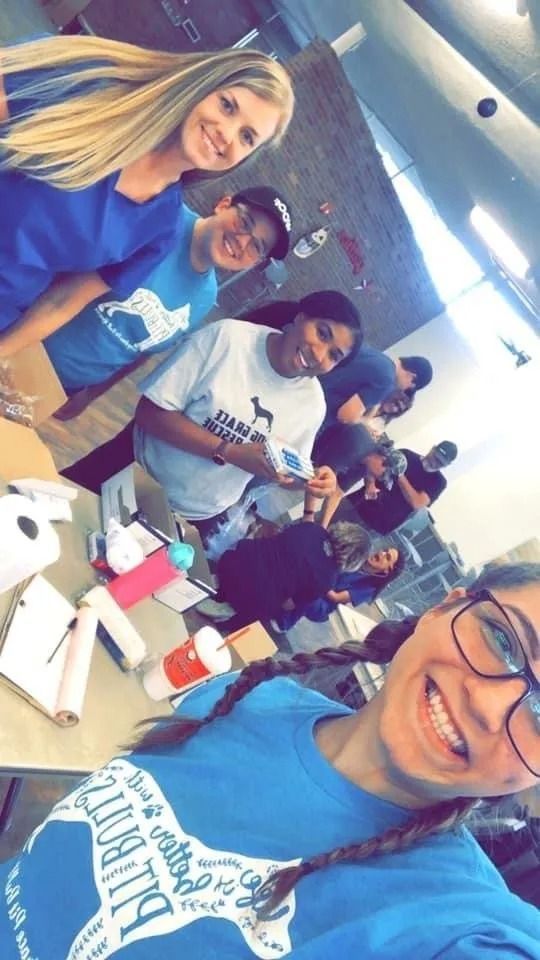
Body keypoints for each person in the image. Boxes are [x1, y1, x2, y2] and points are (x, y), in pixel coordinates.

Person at [1, 562, 539, 958]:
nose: (490, 707)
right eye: (503, 639)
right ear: (445, 606)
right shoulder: (248, 695)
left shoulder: (458, 924)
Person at [0, 33, 293, 347]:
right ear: (203, 83)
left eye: (247, 137)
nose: (227, 134)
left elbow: (64, 301)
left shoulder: (161, 229)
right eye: (227, 105)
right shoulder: (98, 85)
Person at [61, 291, 362, 540]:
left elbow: (289, 476)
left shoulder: (312, 405)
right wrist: (228, 451)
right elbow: (149, 413)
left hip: (192, 517)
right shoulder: (227, 338)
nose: (320, 354)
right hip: (128, 468)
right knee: (57, 525)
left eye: (334, 355)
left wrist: (311, 481)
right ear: (300, 317)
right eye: (322, 333)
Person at [44, 185, 293, 413]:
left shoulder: (205, 297)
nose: (242, 241)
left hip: (63, 390)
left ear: (257, 262)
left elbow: (139, 350)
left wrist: (89, 396)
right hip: (29, 344)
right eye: (244, 222)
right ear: (223, 205)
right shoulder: (161, 218)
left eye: (257, 247)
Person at [197, 520, 371, 629]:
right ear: (354, 559)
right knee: (266, 605)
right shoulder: (328, 579)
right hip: (253, 598)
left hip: (234, 563)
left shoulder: (312, 529)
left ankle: (219, 585)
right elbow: (289, 605)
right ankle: (228, 609)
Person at [274, 544, 405, 631]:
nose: (382, 553)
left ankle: (285, 622)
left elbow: (336, 598)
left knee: (312, 589)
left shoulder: (368, 588)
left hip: (324, 605)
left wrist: (321, 580)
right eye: (385, 550)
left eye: (387, 557)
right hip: (323, 582)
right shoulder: (359, 558)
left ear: (387, 571)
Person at [302, 422, 408, 529]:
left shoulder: (365, 465)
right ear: (383, 459)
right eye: (383, 474)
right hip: (300, 445)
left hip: (305, 468)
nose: (379, 479)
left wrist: (322, 527)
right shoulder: (357, 445)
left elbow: (337, 494)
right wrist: (308, 515)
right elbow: (318, 476)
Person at [350, 440, 458, 535]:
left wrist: (400, 474)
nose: (435, 463)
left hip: (380, 524)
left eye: (441, 463)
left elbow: (417, 502)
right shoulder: (406, 455)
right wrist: (370, 484)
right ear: (433, 449)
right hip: (360, 502)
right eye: (436, 458)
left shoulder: (438, 482)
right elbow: (372, 464)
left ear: (447, 465)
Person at [321, 348, 432, 429]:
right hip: (317, 408)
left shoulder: (375, 355)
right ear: (412, 377)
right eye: (408, 388)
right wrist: (365, 423)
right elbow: (345, 416)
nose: (403, 390)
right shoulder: (387, 380)